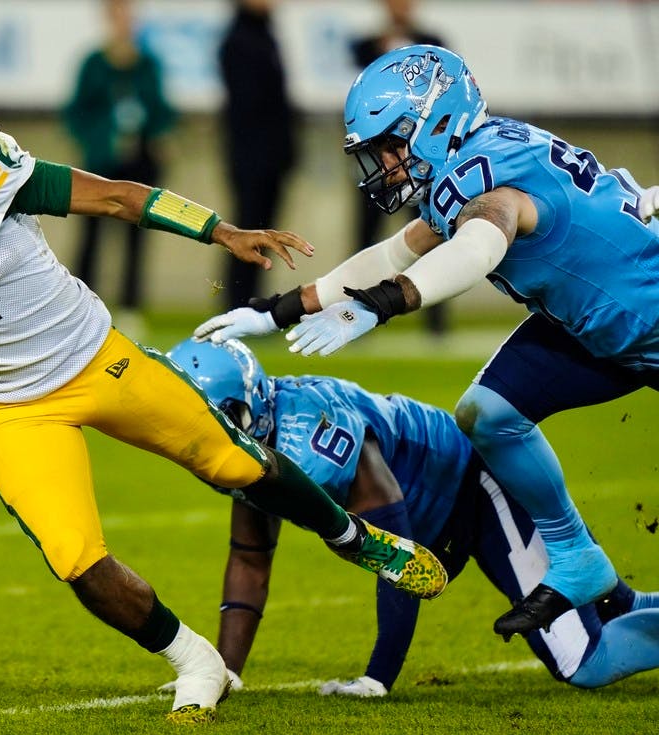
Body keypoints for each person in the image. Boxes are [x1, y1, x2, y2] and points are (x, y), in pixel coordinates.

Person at [0, 56, 449, 723]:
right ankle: (196, 660)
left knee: (236, 464)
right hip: (8, 408)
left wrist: (220, 231)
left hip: (95, 357)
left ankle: (358, 540)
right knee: (77, 561)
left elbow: (120, 198)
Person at [192, 44, 659, 640]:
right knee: (488, 414)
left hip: (647, 315)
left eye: (391, 145)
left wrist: (382, 304)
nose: (383, 164)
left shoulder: (484, 176)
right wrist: (275, 311)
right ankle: (576, 557)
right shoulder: (468, 163)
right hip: (599, 326)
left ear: (437, 123)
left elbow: (477, 248)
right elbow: (393, 253)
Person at [166, 338, 659, 696]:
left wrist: (378, 678)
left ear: (243, 411)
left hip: (481, 485)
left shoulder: (311, 439)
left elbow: (398, 551)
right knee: (622, 605)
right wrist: (226, 670)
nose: (192, 436)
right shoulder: (247, 446)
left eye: (205, 420)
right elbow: (250, 558)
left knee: (585, 662)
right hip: (446, 507)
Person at [63, 0, 178, 336]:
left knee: (136, 236)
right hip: (102, 164)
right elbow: (76, 112)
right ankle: (79, 304)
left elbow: (161, 110)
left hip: (140, 163)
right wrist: (96, 140)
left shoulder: (148, 65)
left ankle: (130, 305)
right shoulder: (93, 64)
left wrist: (160, 137)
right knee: (92, 236)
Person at [349, 0, 448, 336]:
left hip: (419, 156)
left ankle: (436, 320)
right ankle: (355, 308)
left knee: (433, 230)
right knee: (367, 233)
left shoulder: (431, 43)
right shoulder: (367, 45)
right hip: (382, 154)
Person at [217, 0, 297, 311]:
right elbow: (252, 106)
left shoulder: (265, 37)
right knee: (245, 232)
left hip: (270, 157)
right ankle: (236, 305)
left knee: (264, 233)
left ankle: (249, 303)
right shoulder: (238, 41)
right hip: (251, 158)